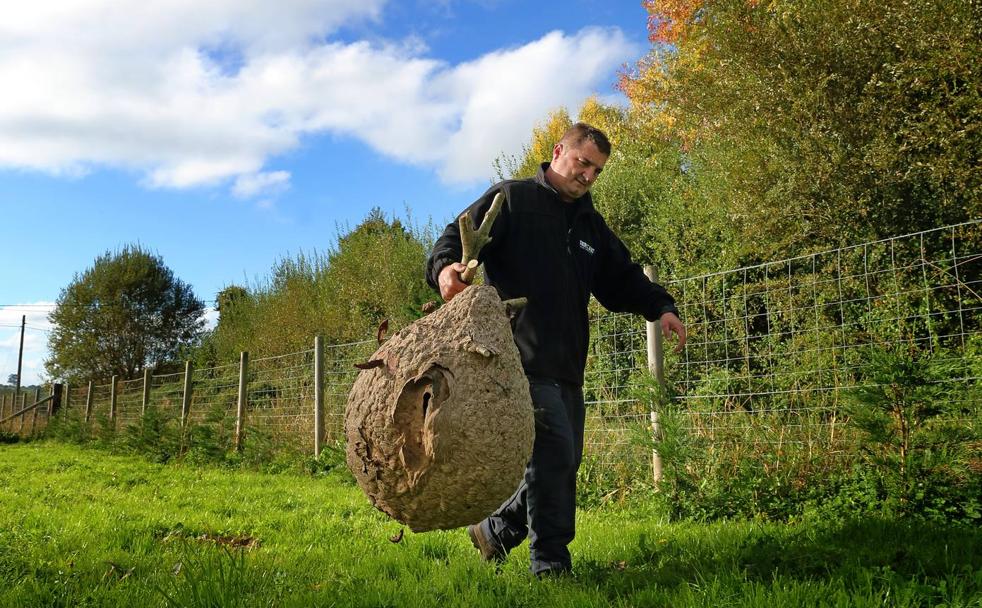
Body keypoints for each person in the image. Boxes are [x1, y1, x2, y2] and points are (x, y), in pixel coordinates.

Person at [425, 122, 686, 576]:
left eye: (597, 171)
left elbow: (621, 279)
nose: (587, 176)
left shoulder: (590, 225)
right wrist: (447, 269)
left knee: (564, 465)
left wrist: (660, 307)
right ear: (558, 150)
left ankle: (494, 532)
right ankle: (550, 566)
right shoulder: (514, 198)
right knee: (554, 456)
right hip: (516, 359)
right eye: (583, 163)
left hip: (568, 365)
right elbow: (456, 235)